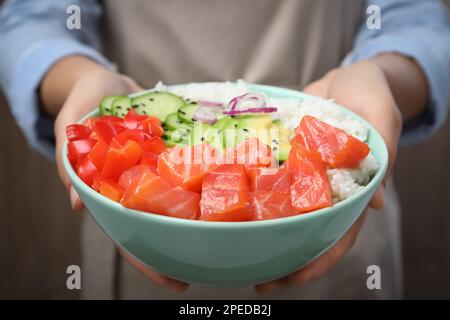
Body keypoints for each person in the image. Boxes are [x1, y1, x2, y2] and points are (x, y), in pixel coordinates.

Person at [1, 0, 449, 299]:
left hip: (335, 243)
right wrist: (80, 80)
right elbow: (32, 19)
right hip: (139, 244)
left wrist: (380, 77)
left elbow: (414, 18)